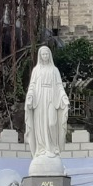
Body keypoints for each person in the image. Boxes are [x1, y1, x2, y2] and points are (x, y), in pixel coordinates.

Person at [24, 45, 69, 173]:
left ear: (49, 55)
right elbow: (32, 85)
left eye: (46, 54)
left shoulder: (54, 70)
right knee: (40, 125)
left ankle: (52, 148)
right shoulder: (36, 70)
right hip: (39, 99)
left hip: (51, 99)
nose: (45, 56)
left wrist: (64, 97)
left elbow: (59, 86)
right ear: (40, 56)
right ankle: (41, 149)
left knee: (52, 123)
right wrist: (30, 97)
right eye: (42, 54)